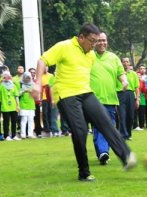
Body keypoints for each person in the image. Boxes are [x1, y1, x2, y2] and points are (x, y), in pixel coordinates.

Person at [32, 23, 136, 182]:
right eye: (91, 41)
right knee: (80, 131)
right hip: (66, 94)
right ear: (81, 37)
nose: (93, 45)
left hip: (86, 93)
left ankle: (127, 157)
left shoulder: (91, 55)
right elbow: (42, 61)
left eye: (96, 41)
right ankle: (84, 172)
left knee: (105, 122)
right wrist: (38, 83)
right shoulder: (64, 46)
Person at [90, 31, 128, 165]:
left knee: (108, 127)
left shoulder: (113, 57)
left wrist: (124, 81)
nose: (102, 43)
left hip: (111, 100)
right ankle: (103, 152)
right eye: (99, 40)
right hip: (93, 100)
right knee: (99, 127)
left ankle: (102, 152)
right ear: (94, 42)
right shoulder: (88, 56)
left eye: (104, 40)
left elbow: (120, 73)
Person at [117, 57, 140, 140]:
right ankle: (123, 135)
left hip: (130, 95)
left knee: (130, 116)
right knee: (122, 115)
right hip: (120, 94)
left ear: (129, 63)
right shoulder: (118, 73)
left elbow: (137, 88)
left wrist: (137, 99)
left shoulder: (133, 74)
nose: (125, 63)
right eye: (124, 62)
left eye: (127, 61)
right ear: (121, 63)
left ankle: (128, 134)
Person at [0, 71, 21, 141]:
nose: (7, 76)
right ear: (3, 76)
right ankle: (6, 136)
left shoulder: (13, 85)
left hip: (13, 106)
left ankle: (14, 135)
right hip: (5, 106)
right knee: (6, 122)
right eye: (5, 75)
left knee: (14, 121)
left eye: (8, 75)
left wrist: (18, 105)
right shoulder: (1, 85)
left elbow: (16, 96)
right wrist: (0, 82)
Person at [19, 71, 36, 139]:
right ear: (24, 78)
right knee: (24, 120)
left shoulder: (33, 84)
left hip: (31, 104)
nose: (28, 79)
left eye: (29, 78)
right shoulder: (20, 84)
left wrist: (31, 92)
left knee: (31, 120)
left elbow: (35, 94)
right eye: (26, 78)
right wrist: (23, 91)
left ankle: (30, 134)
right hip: (23, 104)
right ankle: (23, 134)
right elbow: (17, 93)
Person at [29, 68, 42, 137]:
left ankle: (38, 132)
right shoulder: (27, 81)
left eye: (34, 72)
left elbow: (40, 91)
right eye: (31, 72)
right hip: (29, 102)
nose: (33, 73)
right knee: (30, 118)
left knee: (37, 117)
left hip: (36, 102)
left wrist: (40, 100)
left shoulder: (37, 81)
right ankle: (29, 133)